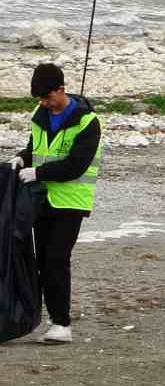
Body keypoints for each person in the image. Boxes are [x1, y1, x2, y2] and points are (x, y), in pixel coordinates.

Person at [10, 63, 102, 345]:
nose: (44, 104)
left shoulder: (87, 122)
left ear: (60, 90)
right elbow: (35, 150)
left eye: (47, 98)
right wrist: (22, 159)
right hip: (42, 200)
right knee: (40, 262)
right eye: (40, 99)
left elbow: (76, 165)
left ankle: (62, 324)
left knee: (56, 260)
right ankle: (47, 319)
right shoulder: (40, 114)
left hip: (71, 202)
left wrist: (38, 172)